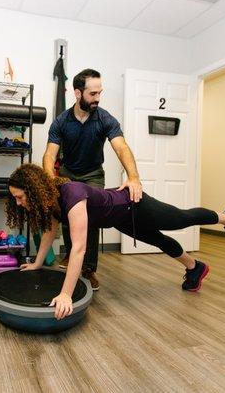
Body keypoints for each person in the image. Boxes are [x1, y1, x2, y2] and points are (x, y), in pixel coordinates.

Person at [5, 164, 225, 320]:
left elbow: (79, 248)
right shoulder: (51, 202)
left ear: (34, 191)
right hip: (121, 218)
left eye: (20, 197)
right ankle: (194, 267)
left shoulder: (72, 195)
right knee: (160, 241)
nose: (18, 203)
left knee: (180, 219)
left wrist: (66, 295)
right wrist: (37, 264)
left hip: (134, 204)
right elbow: (49, 233)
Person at [42, 68, 142, 290]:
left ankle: (88, 269)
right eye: (93, 94)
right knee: (68, 217)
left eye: (100, 93)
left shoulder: (105, 119)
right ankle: (70, 256)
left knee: (91, 218)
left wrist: (133, 177)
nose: (97, 98)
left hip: (93, 175)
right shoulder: (61, 121)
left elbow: (121, 148)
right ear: (78, 93)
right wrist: (50, 180)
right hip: (68, 173)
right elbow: (50, 154)